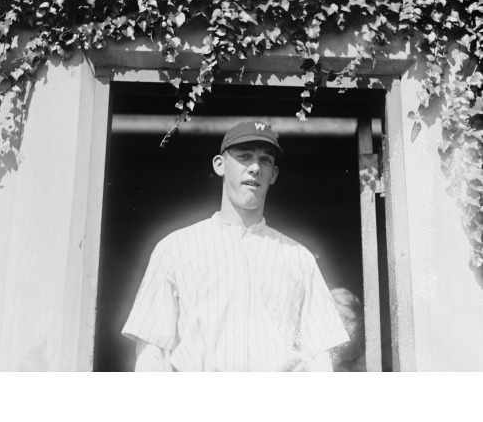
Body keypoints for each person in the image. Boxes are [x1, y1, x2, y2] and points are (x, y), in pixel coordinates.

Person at [122, 121, 349, 371]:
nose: (255, 168)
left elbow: (321, 356)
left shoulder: (298, 257)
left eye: (265, 160)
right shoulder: (175, 248)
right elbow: (151, 351)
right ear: (220, 165)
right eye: (244, 157)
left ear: (273, 174)